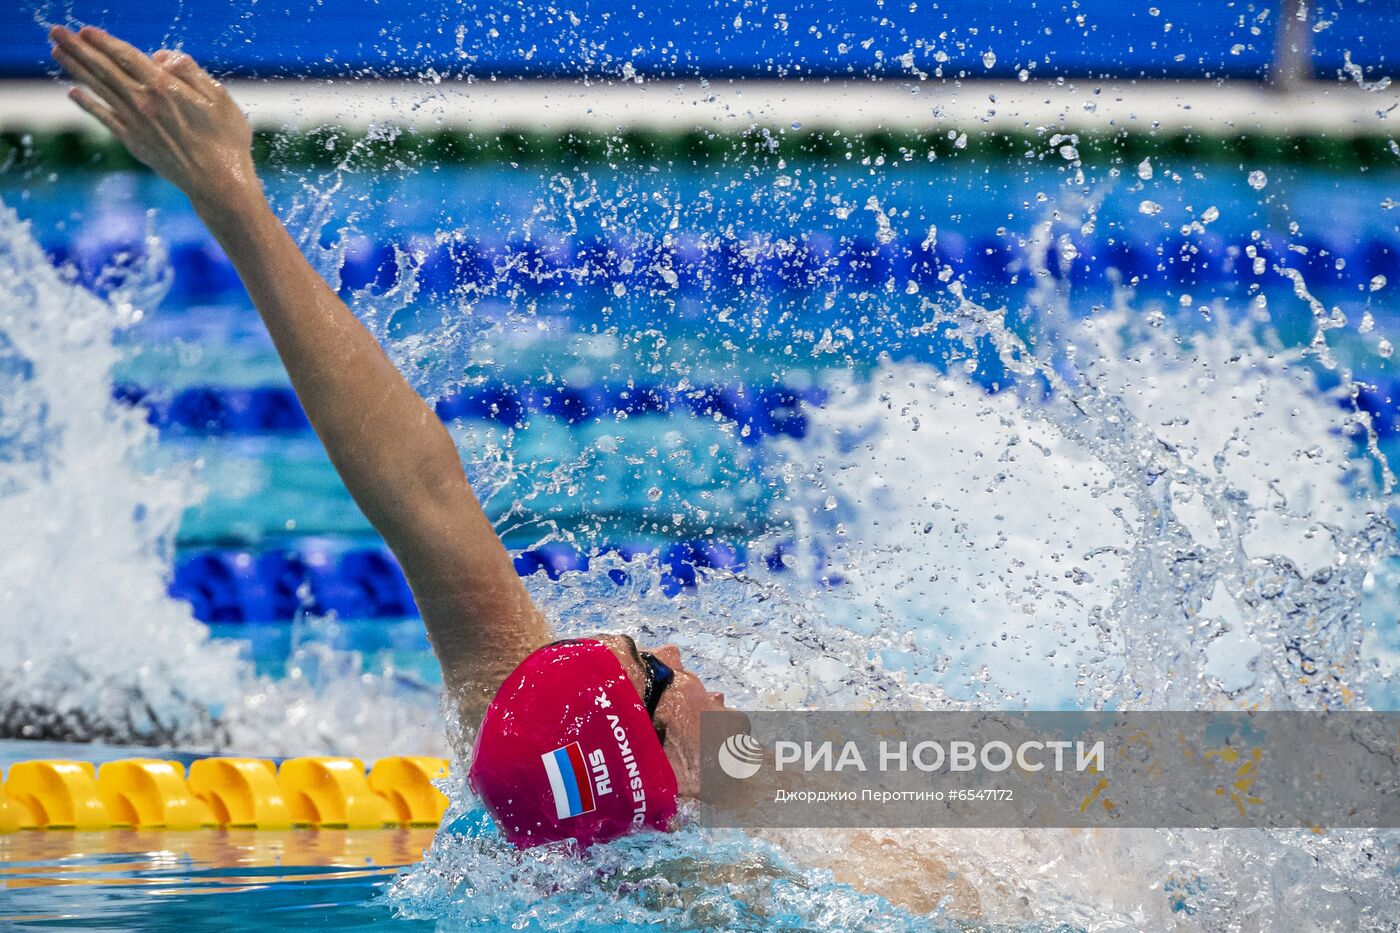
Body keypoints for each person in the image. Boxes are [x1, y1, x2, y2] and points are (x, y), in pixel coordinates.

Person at [48, 27, 976, 911]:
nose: (678, 655)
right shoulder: (872, 887)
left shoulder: (552, 789)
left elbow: (421, 492)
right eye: (655, 673)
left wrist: (232, 195)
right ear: (666, 769)